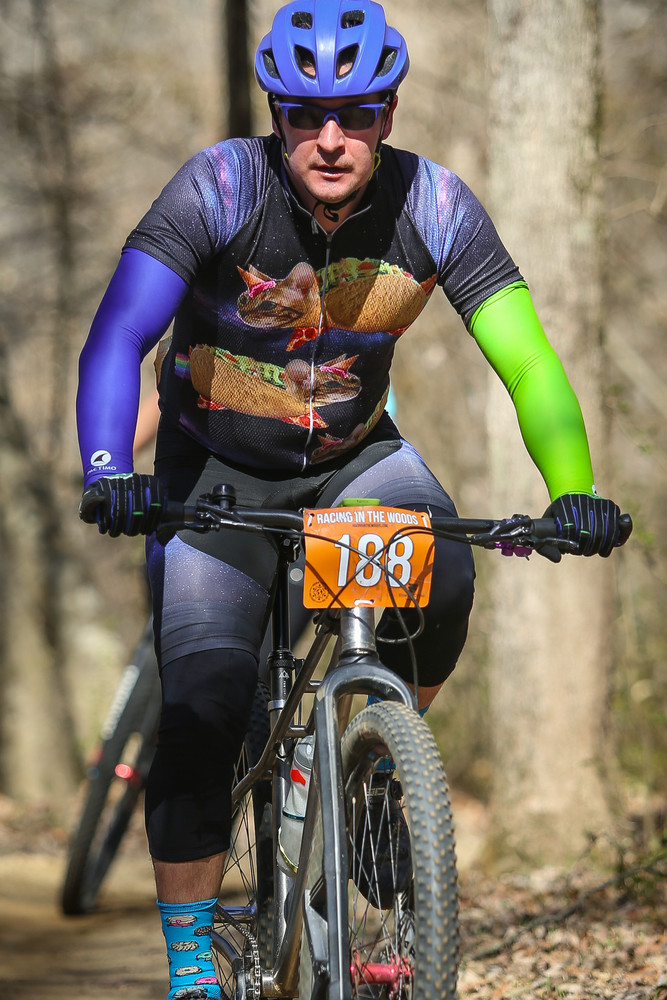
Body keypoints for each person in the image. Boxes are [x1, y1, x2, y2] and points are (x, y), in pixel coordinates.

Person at [76, 2, 625, 997]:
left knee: (444, 573)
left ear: (388, 116)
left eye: (357, 114)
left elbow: (527, 358)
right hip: (211, 470)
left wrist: (573, 490)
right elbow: (119, 333)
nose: (330, 139)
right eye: (306, 115)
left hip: (353, 459)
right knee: (203, 704)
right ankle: (194, 963)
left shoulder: (437, 206)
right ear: (276, 117)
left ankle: (376, 767)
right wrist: (111, 467)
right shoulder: (217, 189)